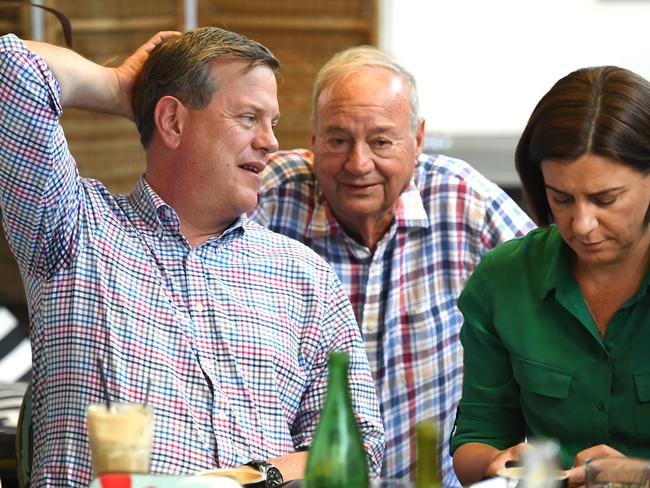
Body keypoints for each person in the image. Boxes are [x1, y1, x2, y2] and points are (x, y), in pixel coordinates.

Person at [0, 28, 385, 487]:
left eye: (273, 123)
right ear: (174, 122)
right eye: (248, 118)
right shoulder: (74, 230)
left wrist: (253, 477)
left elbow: (359, 445)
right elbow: (12, 68)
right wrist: (119, 87)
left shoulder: (304, 276)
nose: (270, 142)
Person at [249, 46, 535, 486]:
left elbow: (556, 280)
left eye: (381, 141)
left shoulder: (464, 202)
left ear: (418, 139)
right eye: (338, 140)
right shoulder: (268, 195)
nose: (359, 163)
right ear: (313, 136)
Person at [450, 65, 650, 487]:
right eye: (561, 199)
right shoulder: (505, 278)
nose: (582, 225)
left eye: (605, 199)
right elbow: (476, 438)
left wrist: (641, 475)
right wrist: (497, 461)